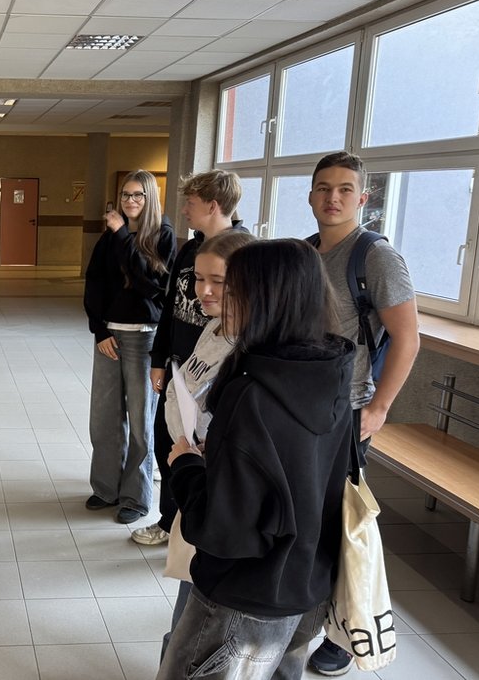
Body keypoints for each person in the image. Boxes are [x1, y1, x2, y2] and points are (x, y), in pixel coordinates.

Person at [157, 239, 355, 680]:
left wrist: (186, 466)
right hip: (307, 580)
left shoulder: (251, 392)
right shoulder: (332, 371)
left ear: (264, 298)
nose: (218, 298)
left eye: (233, 288)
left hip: (243, 592)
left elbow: (223, 529)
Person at [305, 151, 419, 675]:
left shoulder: (374, 256)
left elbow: (407, 337)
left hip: (349, 411)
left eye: (345, 189)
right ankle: (312, 611)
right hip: (304, 408)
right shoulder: (305, 252)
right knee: (311, 518)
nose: (333, 197)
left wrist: (379, 408)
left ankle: (346, 636)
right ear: (310, 195)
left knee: (343, 523)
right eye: (324, 188)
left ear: (362, 198)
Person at [150, 230, 253, 659]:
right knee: (188, 593)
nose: (203, 291)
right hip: (193, 478)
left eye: (218, 281)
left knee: (198, 614)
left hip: (217, 492)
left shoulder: (249, 347)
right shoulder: (215, 327)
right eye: (198, 279)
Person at [133, 169, 244, 546]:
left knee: (198, 448)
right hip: (182, 366)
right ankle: (169, 522)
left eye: (191, 204)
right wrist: (159, 359)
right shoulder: (190, 249)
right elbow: (169, 310)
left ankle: (193, 526)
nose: (183, 210)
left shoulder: (244, 252)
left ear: (213, 205)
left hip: (215, 375)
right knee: (168, 441)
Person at [82, 170, 175, 524]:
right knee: (104, 417)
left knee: (140, 421)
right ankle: (106, 487)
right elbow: (95, 284)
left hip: (144, 337)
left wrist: (123, 235)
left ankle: (136, 496)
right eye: (125, 195)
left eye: (138, 195)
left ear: (150, 198)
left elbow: (150, 284)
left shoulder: (161, 236)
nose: (130, 201)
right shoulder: (109, 239)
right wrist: (99, 330)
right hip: (109, 336)